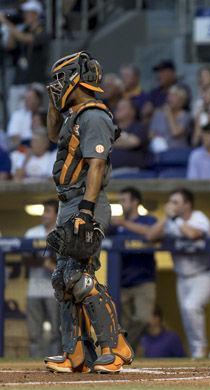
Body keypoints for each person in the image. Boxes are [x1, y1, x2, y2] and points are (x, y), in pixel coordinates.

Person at [44, 51, 134, 373]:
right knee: (62, 280)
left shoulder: (95, 115)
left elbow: (96, 165)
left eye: (60, 80)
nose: (55, 86)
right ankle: (76, 354)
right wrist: (55, 106)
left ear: (75, 79)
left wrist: (85, 210)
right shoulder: (74, 113)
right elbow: (53, 135)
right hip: (69, 201)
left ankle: (115, 347)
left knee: (79, 278)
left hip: (87, 201)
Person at [146, 188, 210, 359]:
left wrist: (175, 219)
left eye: (176, 202)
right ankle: (196, 353)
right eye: (171, 202)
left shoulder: (199, 218)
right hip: (183, 276)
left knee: (191, 306)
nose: (172, 205)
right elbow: (150, 236)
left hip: (204, 274)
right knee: (187, 315)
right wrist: (166, 219)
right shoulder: (171, 221)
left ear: (187, 204)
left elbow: (193, 234)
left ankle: (201, 348)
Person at [108, 187, 158, 351]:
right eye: (120, 200)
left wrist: (124, 223)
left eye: (124, 200)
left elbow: (152, 233)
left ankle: (125, 349)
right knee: (121, 323)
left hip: (144, 280)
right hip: (121, 282)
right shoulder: (116, 227)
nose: (121, 204)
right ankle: (126, 353)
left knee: (143, 318)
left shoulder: (147, 220)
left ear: (135, 201)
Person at [24, 199, 60, 357]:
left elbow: (63, 259)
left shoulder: (62, 233)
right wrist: (44, 262)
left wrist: (49, 262)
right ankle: (34, 363)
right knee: (34, 332)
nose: (44, 215)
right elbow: (24, 259)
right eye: (43, 211)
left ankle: (56, 360)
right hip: (34, 289)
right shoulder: (32, 233)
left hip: (55, 290)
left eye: (48, 211)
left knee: (56, 331)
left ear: (57, 215)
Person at [0, 1, 49, 114]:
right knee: (14, 115)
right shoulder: (22, 29)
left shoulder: (43, 30)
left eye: (28, 13)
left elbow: (26, 39)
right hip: (19, 79)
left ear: (36, 14)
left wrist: (7, 23)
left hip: (34, 80)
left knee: (31, 115)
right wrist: (12, 27)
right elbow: (9, 45)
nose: (25, 16)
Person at [149, 84, 192, 153]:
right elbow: (151, 134)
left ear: (182, 100)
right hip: (159, 152)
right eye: (169, 95)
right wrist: (159, 140)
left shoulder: (186, 116)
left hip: (178, 153)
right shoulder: (158, 114)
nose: (170, 98)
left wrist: (169, 115)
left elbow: (175, 132)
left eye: (174, 96)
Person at [109, 98, 150, 172]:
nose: (118, 109)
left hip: (130, 171)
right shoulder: (109, 126)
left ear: (133, 112)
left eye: (123, 107)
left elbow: (133, 142)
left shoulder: (139, 127)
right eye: (118, 107)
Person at [7, 84, 45, 150]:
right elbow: (14, 139)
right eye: (26, 98)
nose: (27, 101)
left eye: (30, 98)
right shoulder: (17, 115)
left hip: (44, 149)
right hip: (23, 149)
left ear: (38, 100)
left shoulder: (45, 114)